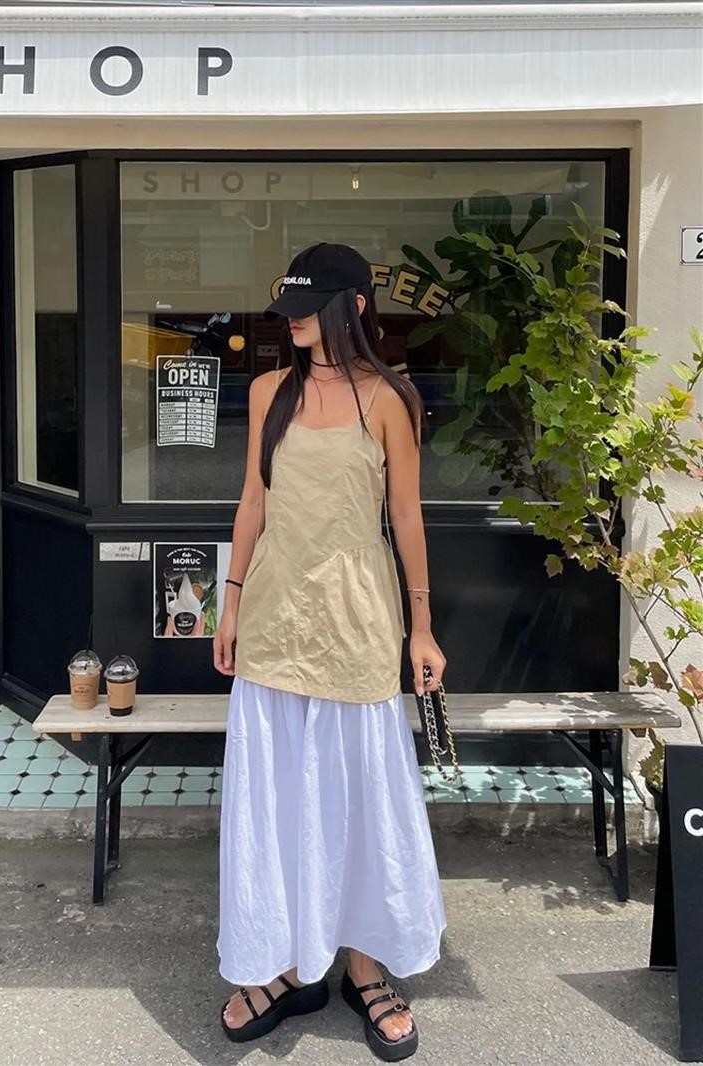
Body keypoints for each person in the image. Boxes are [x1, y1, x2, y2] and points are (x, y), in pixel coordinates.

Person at [212, 243, 447, 1062]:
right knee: (279, 795)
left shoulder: (389, 398)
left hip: (357, 617)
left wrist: (422, 627)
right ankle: (283, 962)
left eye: (310, 305)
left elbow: (406, 516)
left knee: (359, 796)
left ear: (353, 306)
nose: (295, 320)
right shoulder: (268, 392)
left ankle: (364, 964)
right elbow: (253, 500)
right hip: (275, 615)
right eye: (290, 306)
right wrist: (229, 602)